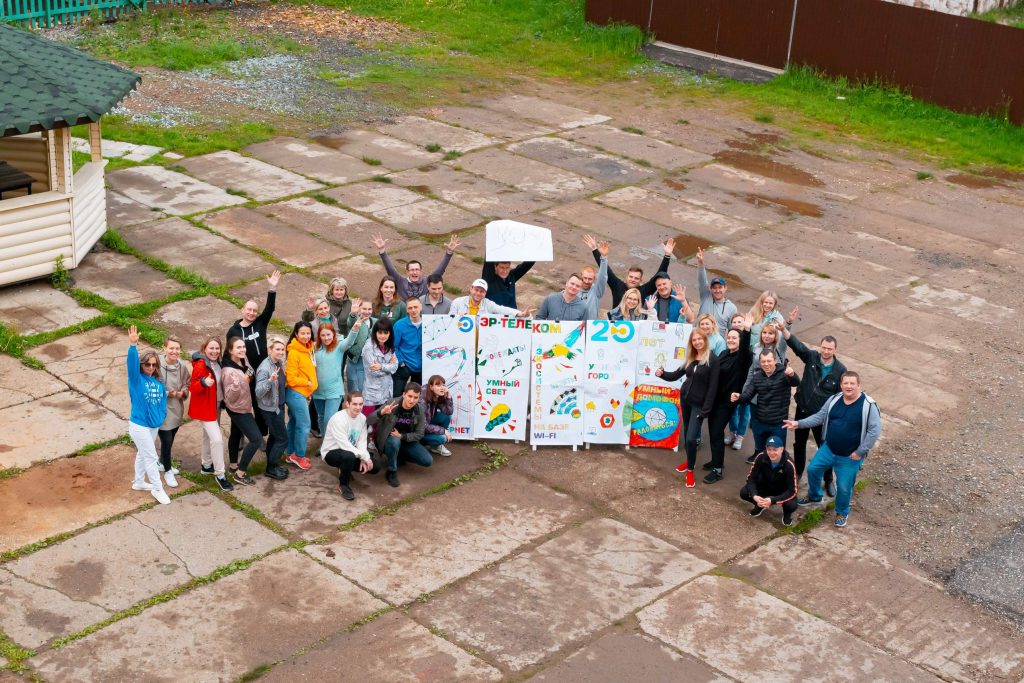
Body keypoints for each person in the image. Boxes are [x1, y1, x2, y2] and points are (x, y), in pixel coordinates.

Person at [787, 371, 881, 528]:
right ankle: (815, 496)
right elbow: (820, 417)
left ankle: (842, 512)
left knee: (844, 488)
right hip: (829, 448)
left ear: (859, 385)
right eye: (846, 383)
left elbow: (874, 431)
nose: (849, 386)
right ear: (841, 385)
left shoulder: (868, 405)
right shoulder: (834, 399)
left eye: (852, 383)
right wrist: (799, 423)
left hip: (850, 456)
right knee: (813, 469)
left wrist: (860, 452)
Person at [656, 329, 720, 488]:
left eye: (700, 339)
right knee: (687, 435)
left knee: (691, 438)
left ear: (705, 340)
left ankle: (690, 470)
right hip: (685, 400)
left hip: (699, 405)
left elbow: (713, 388)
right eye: (694, 340)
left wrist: (705, 411)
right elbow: (675, 375)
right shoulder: (690, 357)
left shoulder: (713, 359)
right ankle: (690, 461)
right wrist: (662, 374)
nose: (697, 342)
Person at [787, 331, 846, 495]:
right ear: (820, 347)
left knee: (824, 448)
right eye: (824, 348)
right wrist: (785, 330)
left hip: (821, 418)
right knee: (799, 444)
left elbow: (839, 397)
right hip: (802, 410)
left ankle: (828, 479)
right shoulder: (812, 357)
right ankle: (798, 473)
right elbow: (798, 347)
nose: (826, 351)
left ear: (835, 349)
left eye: (829, 349)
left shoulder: (840, 370)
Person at [126, 326, 170, 505]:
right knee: (151, 457)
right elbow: (131, 364)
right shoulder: (136, 379)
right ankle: (157, 488)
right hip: (139, 425)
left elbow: (162, 402)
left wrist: (161, 416)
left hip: (153, 425)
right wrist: (133, 346)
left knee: (143, 454)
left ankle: (138, 482)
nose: (151, 367)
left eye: (154, 364)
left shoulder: (158, 382)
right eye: (147, 364)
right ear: (141, 365)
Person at [702, 326, 752, 484]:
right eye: (729, 337)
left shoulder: (743, 357)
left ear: (740, 340)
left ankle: (718, 470)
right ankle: (715, 461)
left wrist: (747, 331)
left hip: (726, 403)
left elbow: (745, 349)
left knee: (717, 433)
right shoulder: (724, 353)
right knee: (713, 432)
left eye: (734, 338)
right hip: (715, 400)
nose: (730, 340)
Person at [733, 349, 799, 462]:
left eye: (769, 361)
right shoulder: (757, 377)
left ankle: (779, 471)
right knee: (760, 451)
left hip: (778, 424)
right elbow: (748, 394)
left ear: (775, 361)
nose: (766, 364)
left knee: (777, 454)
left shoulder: (784, 373)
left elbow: (796, 382)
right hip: (760, 421)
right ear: (760, 363)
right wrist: (739, 397)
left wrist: (792, 374)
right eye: (763, 361)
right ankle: (761, 469)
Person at [189, 337, 233, 491]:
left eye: (217, 348)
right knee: (217, 440)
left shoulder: (218, 363)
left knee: (207, 436)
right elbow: (192, 387)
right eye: (211, 348)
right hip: (205, 408)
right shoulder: (202, 365)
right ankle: (220, 475)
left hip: (216, 406)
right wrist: (203, 383)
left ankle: (206, 465)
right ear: (204, 349)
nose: (214, 351)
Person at [367, 383, 431, 488]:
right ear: (404, 394)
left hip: (405, 439)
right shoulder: (392, 403)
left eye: (415, 397)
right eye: (410, 396)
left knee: (427, 461)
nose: (412, 400)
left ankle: (398, 455)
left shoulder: (419, 409)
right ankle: (391, 471)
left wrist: (402, 436)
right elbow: (369, 420)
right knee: (394, 441)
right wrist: (382, 412)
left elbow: (420, 434)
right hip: (389, 440)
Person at [321, 392, 382, 501]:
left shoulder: (362, 418)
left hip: (351, 452)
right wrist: (364, 456)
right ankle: (343, 485)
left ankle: (344, 467)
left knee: (375, 466)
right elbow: (344, 445)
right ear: (347, 404)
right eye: (354, 404)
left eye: (360, 404)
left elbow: (362, 441)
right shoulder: (338, 419)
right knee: (348, 456)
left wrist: (363, 458)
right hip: (331, 452)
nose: (358, 407)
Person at [221, 337, 265, 487]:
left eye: (243, 347)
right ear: (230, 350)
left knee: (235, 433)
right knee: (256, 439)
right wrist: (237, 385)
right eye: (238, 348)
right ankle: (240, 473)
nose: (242, 350)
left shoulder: (243, 359)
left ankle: (233, 466)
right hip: (238, 409)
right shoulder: (228, 372)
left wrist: (247, 378)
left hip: (244, 404)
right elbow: (230, 397)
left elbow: (250, 372)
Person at [587, 235, 674, 308]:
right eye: (631, 277)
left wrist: (667, 255)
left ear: (640, 280)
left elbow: (659, 275)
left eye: (636, 278)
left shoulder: (645, 290)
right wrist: (596, 250)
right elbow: (605, 270)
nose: (633, 279)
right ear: (627, 277)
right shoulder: (617, 285)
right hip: (617, 323)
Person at [373, 233, 460, 299]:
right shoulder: (400, 281)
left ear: (421, 271)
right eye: (412, 270)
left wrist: (449, 252)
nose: (414, 272)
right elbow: (389, 268)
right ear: (407, 272)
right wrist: (382, 250)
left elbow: (440, 269)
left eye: (417, 269)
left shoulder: (427, 281)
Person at [535, 245, 609, 321]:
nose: (587, 281)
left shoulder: (596, 292)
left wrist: (603, 258)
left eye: (590, 279)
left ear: (594, 280)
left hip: (589, 325)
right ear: (581, 277)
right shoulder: (571, 291)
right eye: (585, 278)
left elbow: (602, 277)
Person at [741, 435, 798, 526]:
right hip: (765, 486)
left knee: (791, 505)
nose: (771, 453)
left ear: (782, 449)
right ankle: (760, 505)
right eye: (769, 449)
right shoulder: (760, 457)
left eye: (775, 449)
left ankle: (787, 514)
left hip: (781, 489)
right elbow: (751, 478)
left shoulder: (789, 464)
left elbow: (792, 491)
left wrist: (772, 500)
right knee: (744, 492)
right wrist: (755, 495)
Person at [254, 337, 289, 480]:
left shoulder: (277, 363)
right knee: (283, 439)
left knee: (275, 437)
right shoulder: (264, 368)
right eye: (277, 349)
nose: (281, 352)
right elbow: (258, 392)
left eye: (282, 349)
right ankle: (271, 468)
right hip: (270, 409)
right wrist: (270, 381)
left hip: (278, 405)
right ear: (270, 350)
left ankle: (272, 465)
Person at [157, 335, 189, 489]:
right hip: (161, 410)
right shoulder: (156, 365)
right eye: (171, 348)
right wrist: (169, 393)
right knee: (167, 441)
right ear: (164, 348)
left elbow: (187, 383)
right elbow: (150, 385)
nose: (174, 351)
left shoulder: (182, 366)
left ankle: (161, 462)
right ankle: (168, 471)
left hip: (176, 408)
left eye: (177, 348)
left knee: (171, 437)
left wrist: (184, 391)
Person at [284, 321, 317, 471]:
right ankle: (299, 455)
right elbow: (291, 379)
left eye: (308, 333)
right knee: (304, 425)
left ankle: (290, 453)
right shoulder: (294, 352)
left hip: (302, 394)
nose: (306, 336)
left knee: (293, 423)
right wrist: (307, 383)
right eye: (302, 333)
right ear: (296, 334)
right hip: (296, 394)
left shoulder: (308, 348)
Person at [313, 322, 352, 438]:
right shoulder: (314, 348)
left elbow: (349, 341)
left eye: (328, 335)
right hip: (318, 391)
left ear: (333, 334)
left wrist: (354, 328)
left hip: (334, 390)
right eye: (323, 335)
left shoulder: (338, 347)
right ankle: (325, 442)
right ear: (319, 336)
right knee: (321, 417)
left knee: (329, 419)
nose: (326, 338)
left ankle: (330, 443)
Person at [362, 318, 399, 421]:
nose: (383, 336)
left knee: (383, 423)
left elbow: (395, 367)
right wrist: (388, 366)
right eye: (380, 332)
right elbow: (375, 371)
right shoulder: (368, 347)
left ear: (390, 333)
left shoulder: (389, 345)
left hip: (387, 392)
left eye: (386, 333)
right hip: (372, 393)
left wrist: (381, 366)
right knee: (369, 422)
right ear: (375, 332)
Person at [694, 248, 736, 337]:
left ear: (725, 288)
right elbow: (702, 280)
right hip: (698, 338)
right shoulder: (705, 296)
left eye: (720, 287)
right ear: (710, 289)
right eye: (714, 288)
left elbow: (732, 331)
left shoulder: (732, 308)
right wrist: (701, 263)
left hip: (716, 343)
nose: (717, 290)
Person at [725, 313, 751, 451]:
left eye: (739, 322)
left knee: (744, 413)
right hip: (732, 387)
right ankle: (733, 432)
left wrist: (747, 330)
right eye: (734, 322)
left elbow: (744, 348)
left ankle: (740, 436)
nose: (736, 324)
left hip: (745, 388)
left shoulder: (746, 350)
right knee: (732, 412)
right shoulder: (728, 348)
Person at [392, 297, 424, 395]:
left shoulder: (428, 323)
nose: (413, 310)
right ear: (406, 309)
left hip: (422, 366)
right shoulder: (399, 325)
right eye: (410, 308)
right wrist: (400, 361)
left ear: (421, 307)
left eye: (415, 307)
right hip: (405, 364)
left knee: (418, 396)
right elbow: (393, 345)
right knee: (397, 394)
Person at [449, 279, 529, 317]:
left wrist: (519, 313)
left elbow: (502, 309)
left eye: (482, 291)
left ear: (485, 293)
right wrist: (456, 317)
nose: (478, 293)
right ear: (471, 289)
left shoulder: (488, 304)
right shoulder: (457, 302)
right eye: (476, 290)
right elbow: (448, 320)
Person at [344, 300, 375, 393]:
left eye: (369, 309)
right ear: (359, 309)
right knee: (353, 384)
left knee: (364, 386)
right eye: (364, 309)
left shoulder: (375, 321)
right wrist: (353, 313)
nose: (367, 311)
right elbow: (350, 321)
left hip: (369, 359)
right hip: (354, 359)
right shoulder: (356, 320)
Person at [420, 375, 454, 457]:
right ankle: (419, 443)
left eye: (443, 385)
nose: (442, 388)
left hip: (427, 423)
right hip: (417, 431)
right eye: (438, 385)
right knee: (443, 438)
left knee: (446, 416)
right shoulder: (422, 399)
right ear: (431, 387)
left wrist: (448, 397)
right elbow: (423, 425)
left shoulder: (437, 395)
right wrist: (443, 431)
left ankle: (435, 446)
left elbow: (448, 412)